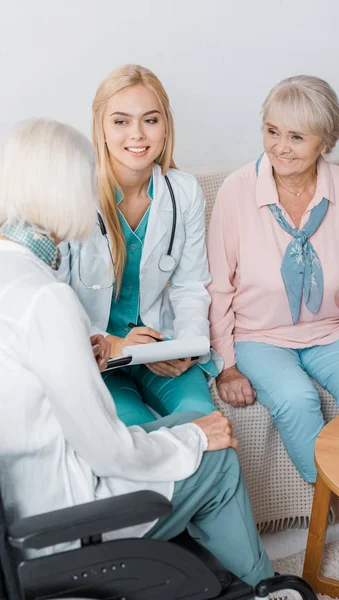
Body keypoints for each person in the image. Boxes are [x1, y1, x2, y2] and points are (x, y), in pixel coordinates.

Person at [0, 118, 300, 600]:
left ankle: (228, 580)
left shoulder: (13, 274)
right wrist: (193, 437)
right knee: (215, 453)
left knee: (193, 431)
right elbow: (109, 451)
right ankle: (264, 588)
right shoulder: (46, 299)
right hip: (64, 520)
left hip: (27, 503)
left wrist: (83, 353)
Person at [207, 75, 339, 582]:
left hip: (331, 328)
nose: (280, 147)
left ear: (325, 141)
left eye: (296, 136)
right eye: (272, 131)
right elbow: (217, 288)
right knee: (295, 400)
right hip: (258, 335)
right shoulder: (236, 191)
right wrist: (225, 364)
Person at [58, 64, 221, 427]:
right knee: (135, 438)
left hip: (160, 347)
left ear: (166, 127)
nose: (137, 134)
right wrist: (112, 344)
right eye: (120, 121)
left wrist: (186, 347)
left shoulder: (185, 192)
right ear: (100, 127)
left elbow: (191, 286)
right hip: (98, 356)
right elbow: (55, 298)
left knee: (206, 426)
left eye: (150, 120)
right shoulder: (72, 195)